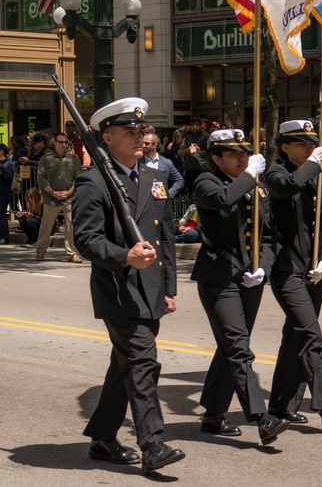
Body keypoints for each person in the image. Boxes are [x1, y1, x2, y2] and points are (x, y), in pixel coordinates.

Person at [73, 98, 185, 473]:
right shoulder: (93, 181)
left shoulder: (153, 178)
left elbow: (165, 235)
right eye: (130, 132)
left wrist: (169, 287)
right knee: (143, 362)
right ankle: (152, 443)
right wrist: (125, 257)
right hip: (118, 288)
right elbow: (86, 240)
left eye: (142, 131)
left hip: (150, 287)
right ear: (107, 137)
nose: (140, 137)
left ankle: (103, 438)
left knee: (124, 367)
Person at [190, 129, 291, 444]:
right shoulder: (206, 182)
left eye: (245, 153)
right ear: (216, 159)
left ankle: (212, 414)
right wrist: (249, 175)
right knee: (239, 348)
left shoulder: (256, 188)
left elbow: (270, 234)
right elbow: (222, 200)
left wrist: (263, 266)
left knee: (230, 348)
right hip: (218, 277)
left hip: (251, 278)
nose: (242, 158)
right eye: (233, 154)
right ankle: (262, 418)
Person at [264, 120, 322, 434]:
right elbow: (286, 188)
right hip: (287, 268)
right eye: (302, 143)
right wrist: (311, 167)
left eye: (312, 143)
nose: (309, 148)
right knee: (311, 335)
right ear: (285, 146)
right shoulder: (276, 173)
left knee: (296, 337)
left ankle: (281, 407)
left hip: (316, 271)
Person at [35, 132, 83, 262]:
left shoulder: (73, 159)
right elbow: (41, 177)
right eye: (61, 142)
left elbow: (78, 178)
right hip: (51, 198)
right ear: (54, 143)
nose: (64, 145)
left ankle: (72, 253)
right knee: (46, 227)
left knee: (71, 227)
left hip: (68, 198)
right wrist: (52, 192)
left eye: (65, 142)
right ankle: (40, 251)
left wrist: (69, 192)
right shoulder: (46, 159)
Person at [140, 133, 185, 198]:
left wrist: (169, 194)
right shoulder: (137, 161)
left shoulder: (166, 163)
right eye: (142, 143)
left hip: (159, 200)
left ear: (155, 145)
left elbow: (180, 180)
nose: (143, 146)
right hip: (142, 199)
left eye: (146, 143)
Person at [0, 143, 13, 243]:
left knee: (1, 215)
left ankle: (5, 237)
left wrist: (1, 168)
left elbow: (10, 177)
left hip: (4, 192)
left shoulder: (8, 163)